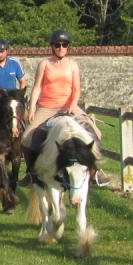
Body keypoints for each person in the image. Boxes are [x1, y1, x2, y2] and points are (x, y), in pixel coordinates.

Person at [25, 29, 109, 186]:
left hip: (68, 106)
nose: (61, 48)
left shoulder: (73, 65)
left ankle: (95, 170)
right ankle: (31, 172)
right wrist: (31, 109)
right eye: (58, 45)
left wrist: (72, 105)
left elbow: (76, 89)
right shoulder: (44, 64)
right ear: (52, 46)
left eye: (65, 45)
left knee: (96, 133)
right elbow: (36, 88)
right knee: (27, 138)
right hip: (47, 107)